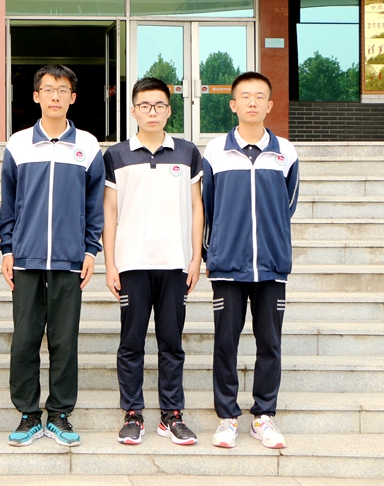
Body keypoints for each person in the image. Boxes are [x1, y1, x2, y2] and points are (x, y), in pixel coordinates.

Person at [0, 64, 105, 448]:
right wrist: (7, 248)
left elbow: (95, 205)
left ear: (73, 97)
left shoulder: (88, 146)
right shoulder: (18, 144)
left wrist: (91, 249)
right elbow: (8, 201)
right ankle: (28, 413)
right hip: (26, 257)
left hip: (69, 258)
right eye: (48, 89)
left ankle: (59, 413)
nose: (55, 96)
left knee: (64, 340)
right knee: (25, 339)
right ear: (36, 96)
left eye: (62, 90)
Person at [102, 77, 203, 446]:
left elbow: (197, 206)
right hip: (131, 263)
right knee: (131, 342)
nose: (152, 112)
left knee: (171, 341)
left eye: (159, 105)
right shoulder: (116, 155)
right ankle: (133, 413)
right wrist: (110, 264)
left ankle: (171, 414)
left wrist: (195, 258)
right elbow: (109, 211)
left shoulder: (188, 152)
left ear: (169, 110)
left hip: (175, 263)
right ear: (133, 111)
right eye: (145, 105)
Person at [203, 71, 299, 450]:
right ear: (233, 104)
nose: (253, 102)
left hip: (272, 265)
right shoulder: (215, 151)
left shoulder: (285, 152)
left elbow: (286, 206)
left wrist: (273, 242)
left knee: (269, 344)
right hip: (227, 265)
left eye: (260, 96)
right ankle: (227, 417)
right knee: (225, 344)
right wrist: (216, 249)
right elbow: (207, 206)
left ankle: (263, 417)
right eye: (245, 96)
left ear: (270, 105)